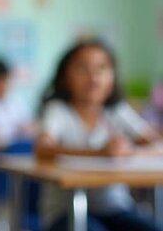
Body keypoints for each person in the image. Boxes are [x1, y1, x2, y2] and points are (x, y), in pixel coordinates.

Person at [35, 39, 162, 231]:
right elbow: (43, 148)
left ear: (112, 77)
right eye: (82, 69)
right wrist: (99, 153)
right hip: (65, 211)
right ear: (64, 77)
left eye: (102, 68)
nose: (93, 77)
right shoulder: (58, 111)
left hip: (116, 208)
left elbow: (157, 144)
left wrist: (129, 151)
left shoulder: (116, 111)